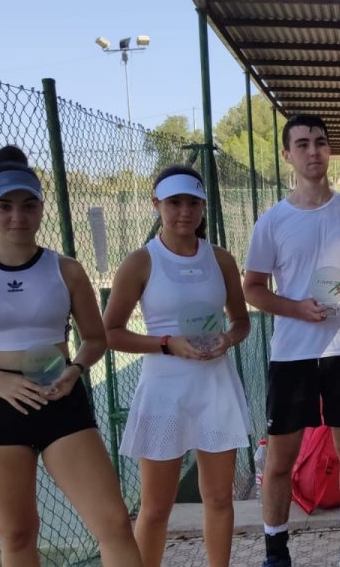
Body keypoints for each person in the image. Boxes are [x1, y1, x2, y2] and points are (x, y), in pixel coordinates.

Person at [0, 145, 143, 567]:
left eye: (29, 205)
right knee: (17, 533)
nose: (18, 216)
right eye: (5, 206)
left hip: (59, 400)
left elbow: (94, 338)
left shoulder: (66, 269)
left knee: (114, 523)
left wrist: (75, 371)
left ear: (41, 208)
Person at [243, 115, 340, 567]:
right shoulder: (272, 221)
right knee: (280, 459)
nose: (312, 151)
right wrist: (297, 308)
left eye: (320, 143)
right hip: (293, 354)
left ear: (329, 151)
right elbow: (253, 288)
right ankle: (276, 553)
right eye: (302, 144)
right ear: (287, 155)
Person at [102, 165, 252, 567]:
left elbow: (241, 321)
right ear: (156, 205)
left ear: (203, 207)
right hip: (164, 392)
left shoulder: (220, 259)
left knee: (219, 498)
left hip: (215, 388)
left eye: (192, 202)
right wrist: (169, 344)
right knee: (155, 507)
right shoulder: (139, 262)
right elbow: (110, 332)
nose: (184, 211)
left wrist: (228, 338)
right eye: (173, 203)